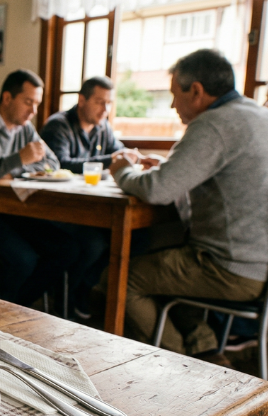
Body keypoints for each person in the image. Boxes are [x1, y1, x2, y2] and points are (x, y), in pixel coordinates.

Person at [104, 49, 268, 362]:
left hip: (228, 268)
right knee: (167, 251)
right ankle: (205, 347)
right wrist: (169, 166)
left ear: (196, 90)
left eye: (174, 94)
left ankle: (186, 362)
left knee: (121, 277)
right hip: (258, 263)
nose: (171, 104)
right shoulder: (255, 114)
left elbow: (156, 189)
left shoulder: (214, 124)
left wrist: (122, 169)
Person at [0, 69, 79, 306]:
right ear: (7, 98)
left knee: (67, 248)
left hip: (9, 212)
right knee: (24, 259)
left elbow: (51, 162)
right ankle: (2, 314)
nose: (34, 111)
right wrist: (19, 159)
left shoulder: (25, 128)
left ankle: (19, 306)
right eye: (28, 102)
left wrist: (14, 168)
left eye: (37, 104)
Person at [40, 76, 134, 319]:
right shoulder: (58, 125)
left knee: (128, 238)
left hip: (89, 208)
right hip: (53, 209)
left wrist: (127, 158)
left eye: (109, 103)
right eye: (100, 102)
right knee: (93, 243)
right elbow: (59, 164)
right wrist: (110, 161)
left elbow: (118, 152)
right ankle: (67, 301)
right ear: (82, 100)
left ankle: (82, 290)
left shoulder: (103, 128)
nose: (105, 110)